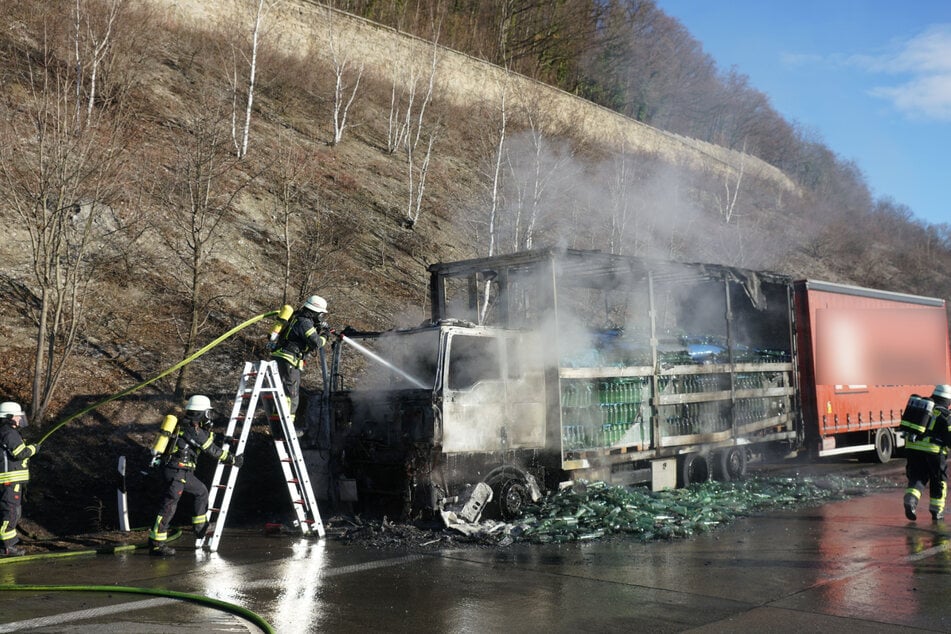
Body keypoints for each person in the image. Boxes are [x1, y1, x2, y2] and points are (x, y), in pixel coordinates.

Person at [148, 395, 242, 556]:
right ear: (200, 413)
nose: (209, 417)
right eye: (207, 413)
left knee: (201, 491)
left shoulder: (191, 427)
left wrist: (222, 438)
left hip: (184, 472)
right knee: (169, 506)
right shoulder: (191, 428)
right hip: (176, 471)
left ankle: (199, 527)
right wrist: (232, 459)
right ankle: (156, 544)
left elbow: (204, 440)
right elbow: (210, 449)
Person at [270, 295, 331, 421]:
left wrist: (317, 327)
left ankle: (278, 426)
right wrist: (325, 334)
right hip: (289, 359)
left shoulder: (297, 317)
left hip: (281, 356)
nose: (321, 317)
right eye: (320, 314)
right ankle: (285, 426)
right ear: (315, 312)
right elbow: (316, 343)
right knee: (291, 395)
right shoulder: (305, 322)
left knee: (283, 392)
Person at [902, 384, 951, 522]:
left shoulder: (923, 409)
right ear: (947, 400)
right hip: (933, 452)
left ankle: (910, 500)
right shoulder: (946, 415)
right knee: (938, 481)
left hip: (912, 448)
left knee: (918, 477)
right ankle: (937, 512)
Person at [0, 401, 37, 557]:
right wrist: (35, 448)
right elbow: (20, 453)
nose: (19, 419)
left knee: (10, 512)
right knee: (11, 513)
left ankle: (7, 544)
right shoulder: (8, 432)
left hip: (10, 482)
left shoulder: (6, 432)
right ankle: (7, 547)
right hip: (10, 482)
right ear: (9, 417)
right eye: (17, 416)